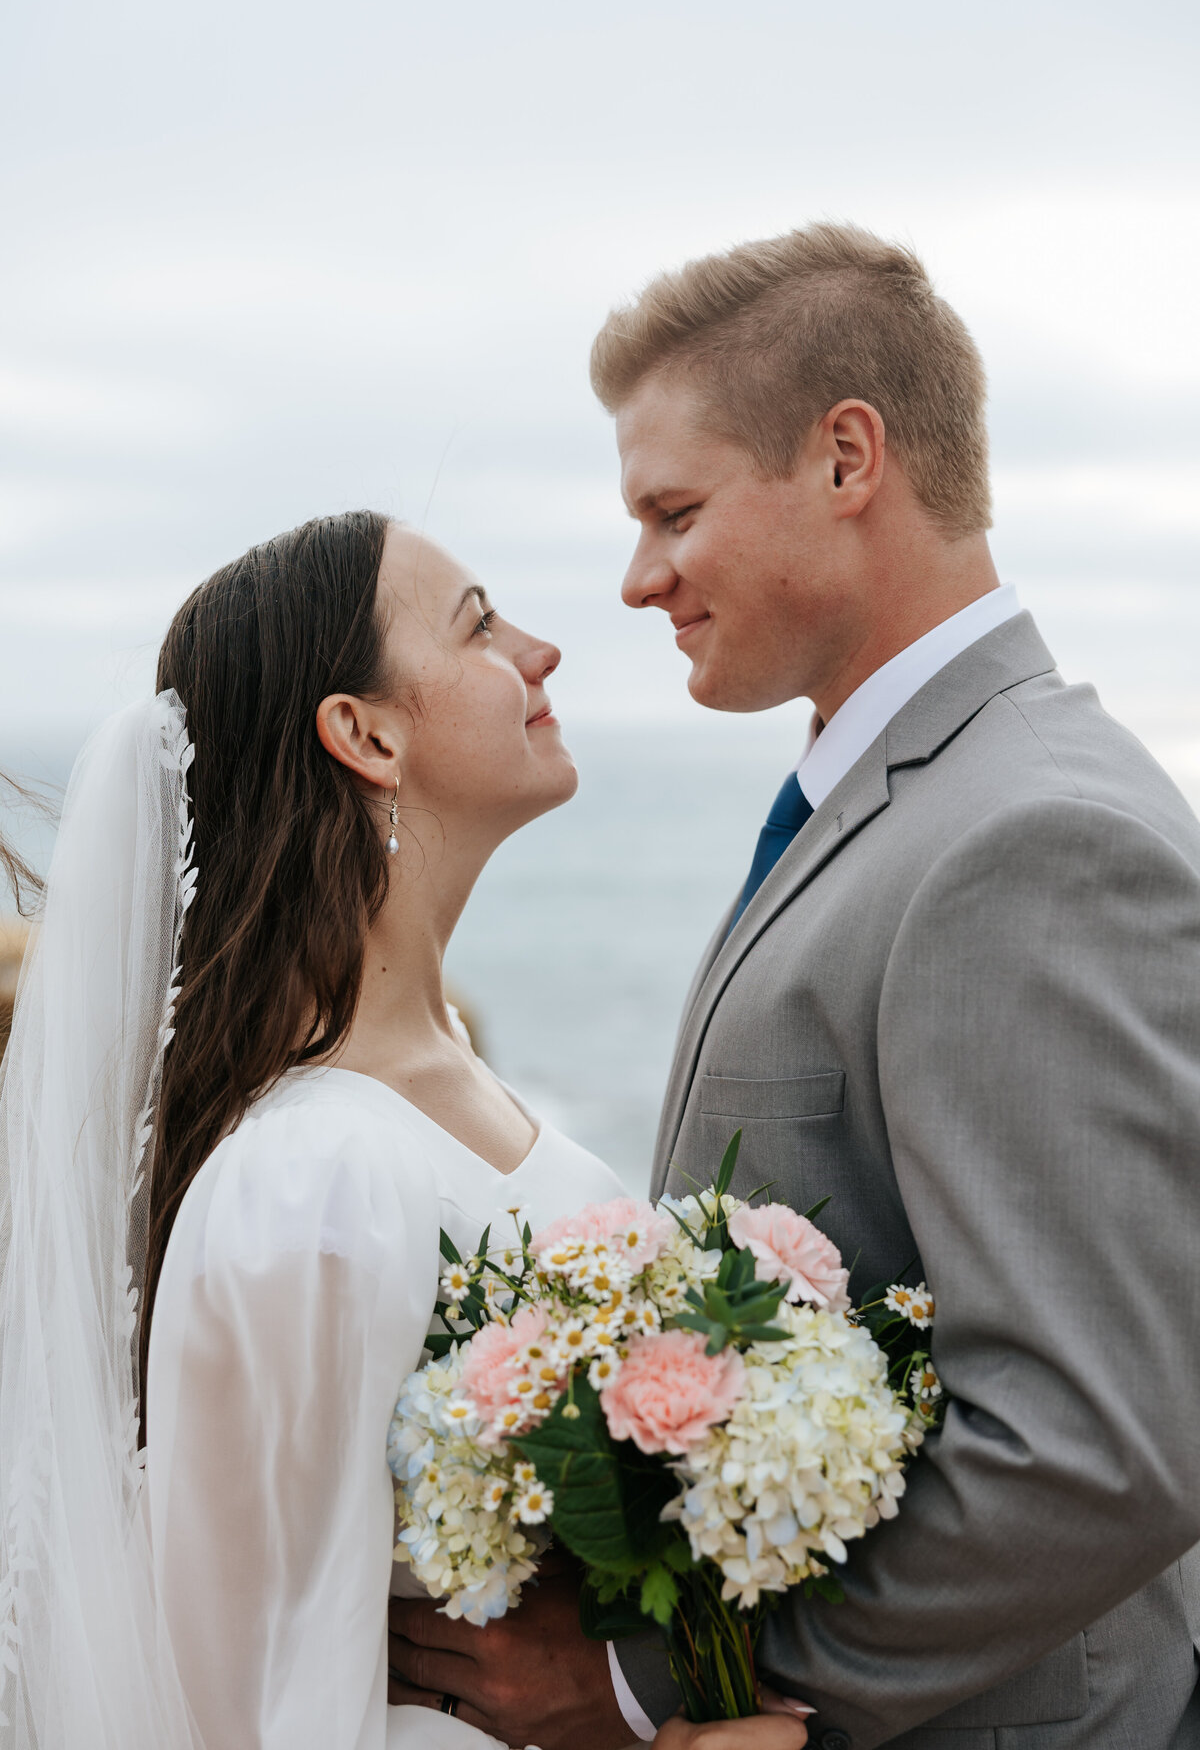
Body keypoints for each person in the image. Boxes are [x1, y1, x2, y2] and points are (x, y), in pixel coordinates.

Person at [388, 226, 1200, 1747]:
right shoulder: (898, 802)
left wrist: (657, 1685)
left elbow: (1097, 1445)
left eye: (674, 512)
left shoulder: (1031, 840)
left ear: (846, 459)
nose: (639, 579)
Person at [0, 509, 806, 1750]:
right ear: (365, 734)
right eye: (480, 627)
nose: (541, 651)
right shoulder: (306, 1179)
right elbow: (279, 1721)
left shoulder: (457, 1080)